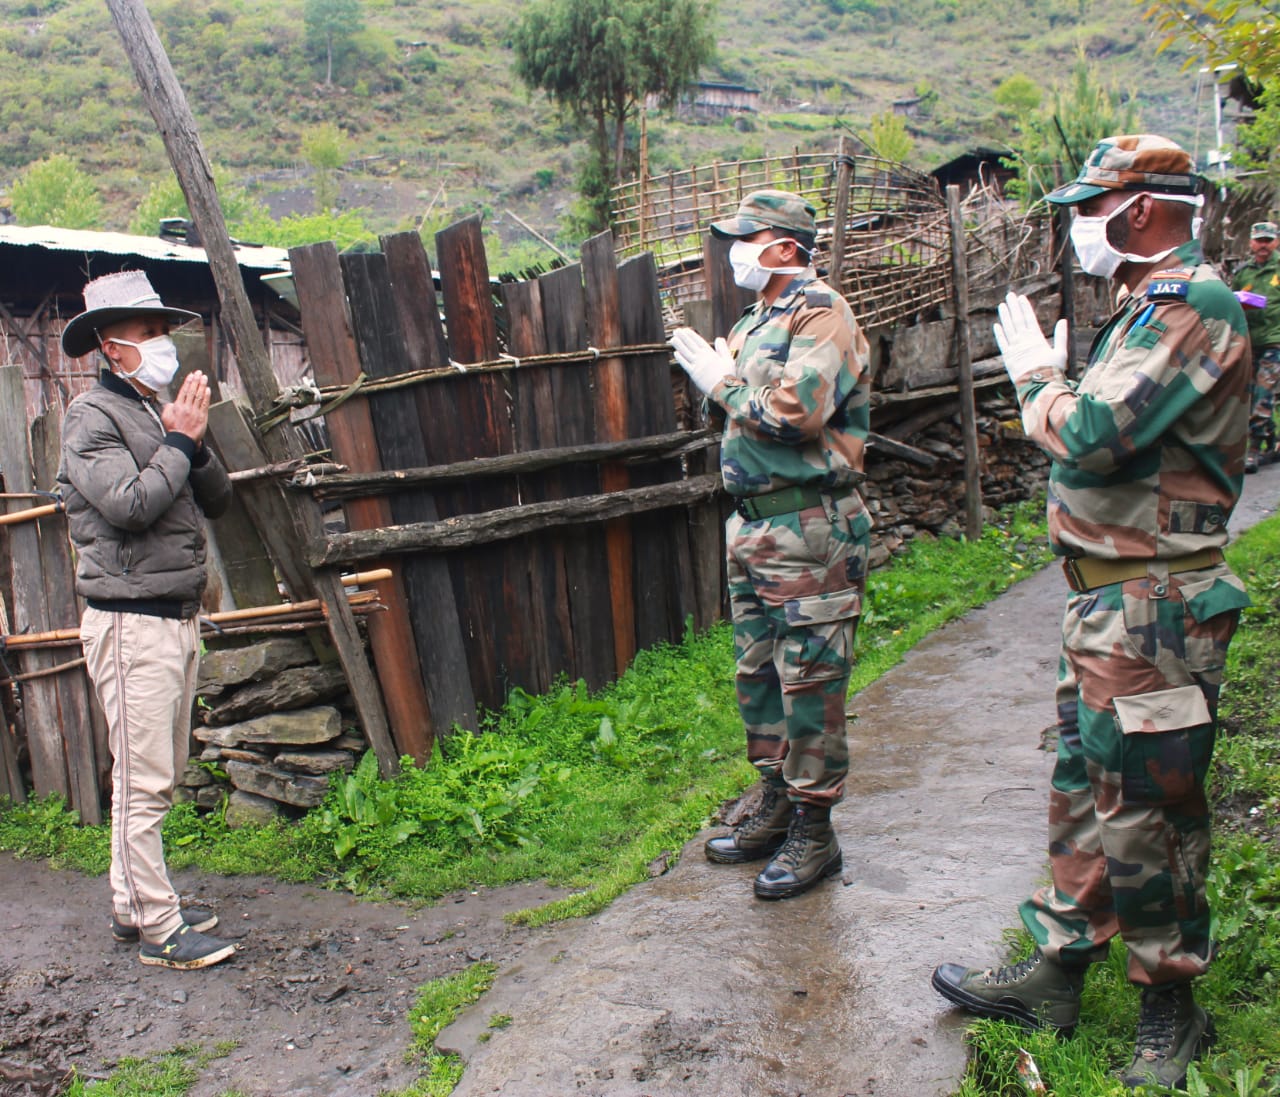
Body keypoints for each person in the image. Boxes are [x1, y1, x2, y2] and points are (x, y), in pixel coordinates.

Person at [930, 136, 1252, 1089]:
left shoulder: (1190, 303)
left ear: (1141, 209)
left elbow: (1090, 435)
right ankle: (1057, 970)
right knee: (1083, 786)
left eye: (1086, 208)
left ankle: (1170, 1008)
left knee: (1151, 809)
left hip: (1156, 603)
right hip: (1110, 602)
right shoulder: (1144, 306)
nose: (1077, 227)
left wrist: (1037, 377)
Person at [670, 190, 872, 901]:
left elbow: (793, 413)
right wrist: (726, 377)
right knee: (758, 674)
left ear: (784, 246)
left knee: (810, 679)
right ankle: (778, 802)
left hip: (810, 526)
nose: (732, 251)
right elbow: (744, 410)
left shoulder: (822, 313)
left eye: (743, 237)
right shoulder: (759, 318)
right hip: (754, 523)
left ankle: (816, 833)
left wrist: (721, 378)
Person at [58, 270, 238, 970]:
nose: (163, 342)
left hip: (172, 617)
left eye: (163, 329)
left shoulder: (154, 410)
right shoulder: (89, 420)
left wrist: (193, 436)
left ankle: (132, 905)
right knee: (144, 782)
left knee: (154, 771)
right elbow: (130, 504)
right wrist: (178, 442)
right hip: (130, 624)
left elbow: (217, 500)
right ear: (112, 347)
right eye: (148, 332)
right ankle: (162, 932)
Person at [1230, 220, 1280, 471]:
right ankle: (1271, 440)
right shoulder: (1242, 272)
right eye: (1259, 240)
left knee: (1262, 395)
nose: (1263, 246)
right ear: (1251, 242)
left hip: (1275, 341)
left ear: (1276, 242)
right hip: (1249, 341)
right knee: (1247, 395)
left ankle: (1253, 450)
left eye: (1268, 240)